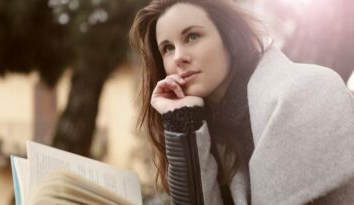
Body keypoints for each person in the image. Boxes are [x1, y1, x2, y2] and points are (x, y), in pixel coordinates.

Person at [129, 0, 354, 204]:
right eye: (167, 48)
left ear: (231, 38)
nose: (178, 57)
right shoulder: (211, 126)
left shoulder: (304, 91)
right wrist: (181, 120)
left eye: (192, 36)